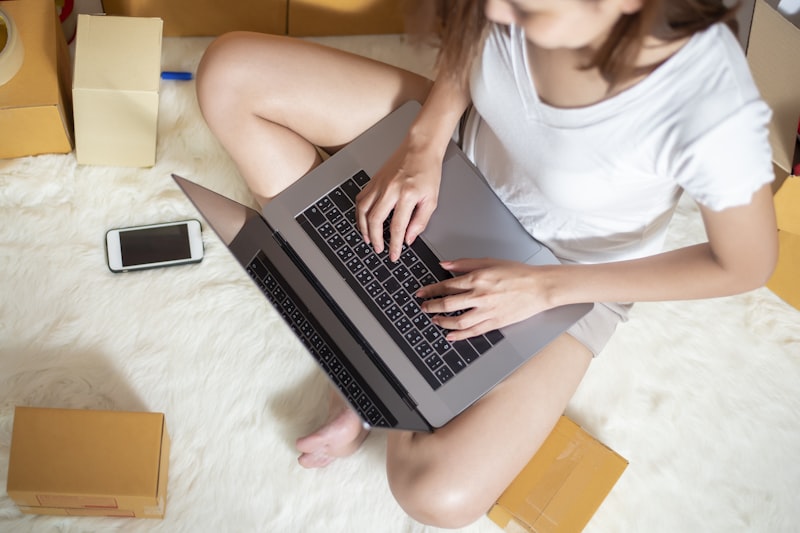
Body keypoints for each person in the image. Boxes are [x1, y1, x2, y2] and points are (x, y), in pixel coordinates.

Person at [195, 0, 778, 528]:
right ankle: (362, 350)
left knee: (436, 495)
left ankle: (365, 362)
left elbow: (745, 266)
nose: (497, 11)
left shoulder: (711, 110)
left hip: (568, 270)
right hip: (462, 151)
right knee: (229, 74)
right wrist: (425, 140)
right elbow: (470, 46)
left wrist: (547, 288)